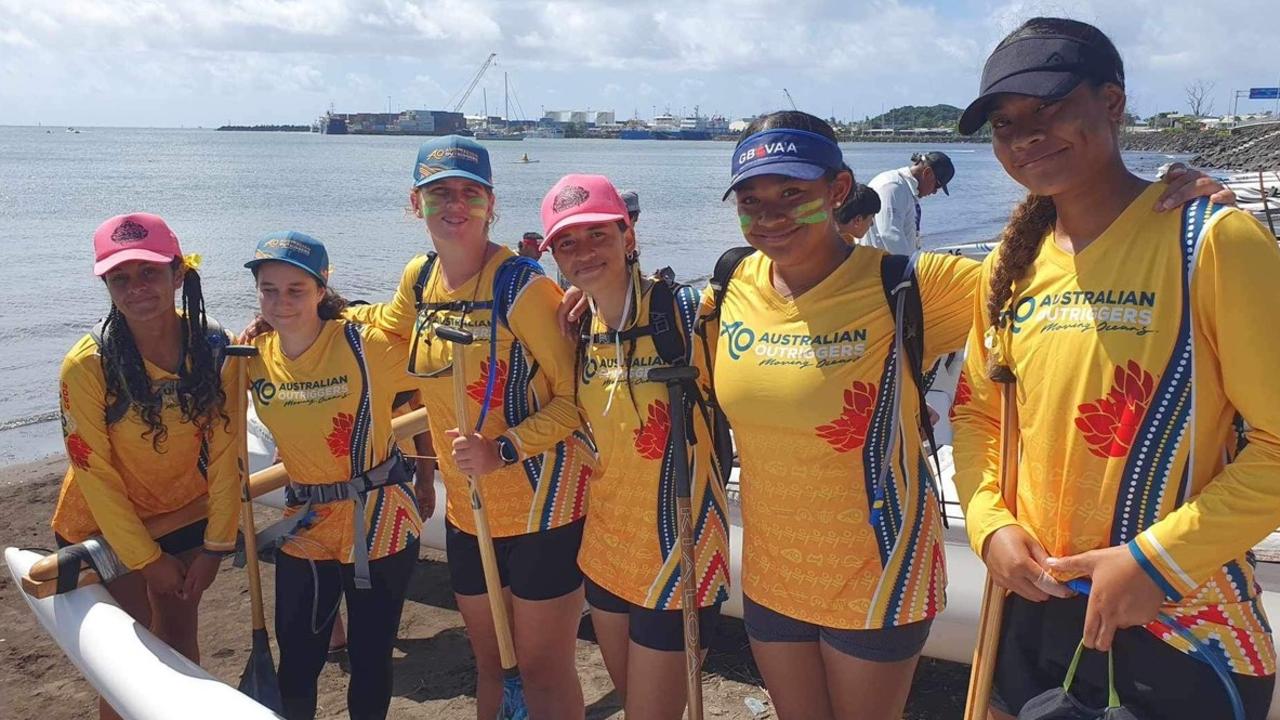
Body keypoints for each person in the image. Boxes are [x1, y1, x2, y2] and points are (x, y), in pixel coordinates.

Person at [950, 17, 1280, 720]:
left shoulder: (1213, 240)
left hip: (1181, 622)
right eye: (1005, 123)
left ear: (1113, 101)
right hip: (1034, 611)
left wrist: (1156, 561)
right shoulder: (1007, 272)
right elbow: (979, 415)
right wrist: (988, 525)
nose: (1027, 134)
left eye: (1050, 107)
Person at [713, 111, 980, 720]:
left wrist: (1169, 212)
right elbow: (636, 316)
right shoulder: (732, 282)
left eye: (791, 194)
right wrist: (581, 290)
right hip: (773, 572)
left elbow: (1056, 277)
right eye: (751, 200)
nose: (770, 216)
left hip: (879, 567)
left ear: (838, 190)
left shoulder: (908, 283)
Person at [345, 135, 594, 719]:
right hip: (466, 512)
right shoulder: (419, 279)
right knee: (492, 667)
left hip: (543, 511)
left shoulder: (524, 287)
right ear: (416, 204)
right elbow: (382, 328)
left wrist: (503, 449)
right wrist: (303, 313)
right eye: (438, 194)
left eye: (468, 192)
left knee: (541, 670)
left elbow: (575, 402)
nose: (454, 205)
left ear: (490, 203)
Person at [540, 174, 730, 719]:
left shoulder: (689, 312)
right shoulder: (576, 329)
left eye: (597, 234)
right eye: (567, 243)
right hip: (605, 546)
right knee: (632, 703)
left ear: (628, 234)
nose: (583, 252)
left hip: (681, 544)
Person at [51, 212, 240, 720]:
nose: (136, 289)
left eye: (150, 273)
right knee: (129, 663)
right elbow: (96, 475)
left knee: (179, 644)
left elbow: (227, 455)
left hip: (183, 513)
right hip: (99, 524)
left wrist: (217, 547)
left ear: (178, 275)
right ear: (106, 285)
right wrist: (146, 560)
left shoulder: (213, 345)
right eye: (120, 278)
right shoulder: (86, 365)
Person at [244, 231, 427, 720]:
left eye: (296, 290)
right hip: (305, 524)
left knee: (369, 662)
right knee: (298, 664)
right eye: (269, 289)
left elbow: (446, 354)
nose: (281, 302)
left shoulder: (365, 344)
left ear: (322, 288)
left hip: (381, 522)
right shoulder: (253, 357)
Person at [861, 151, 954, 255]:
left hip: (893, 265)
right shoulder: (892, 187)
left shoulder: (906, 190)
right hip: (878, 267)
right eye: (937, 185)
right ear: (927, 173)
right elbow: (889, 235)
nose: (934, 191)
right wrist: (909, 268)